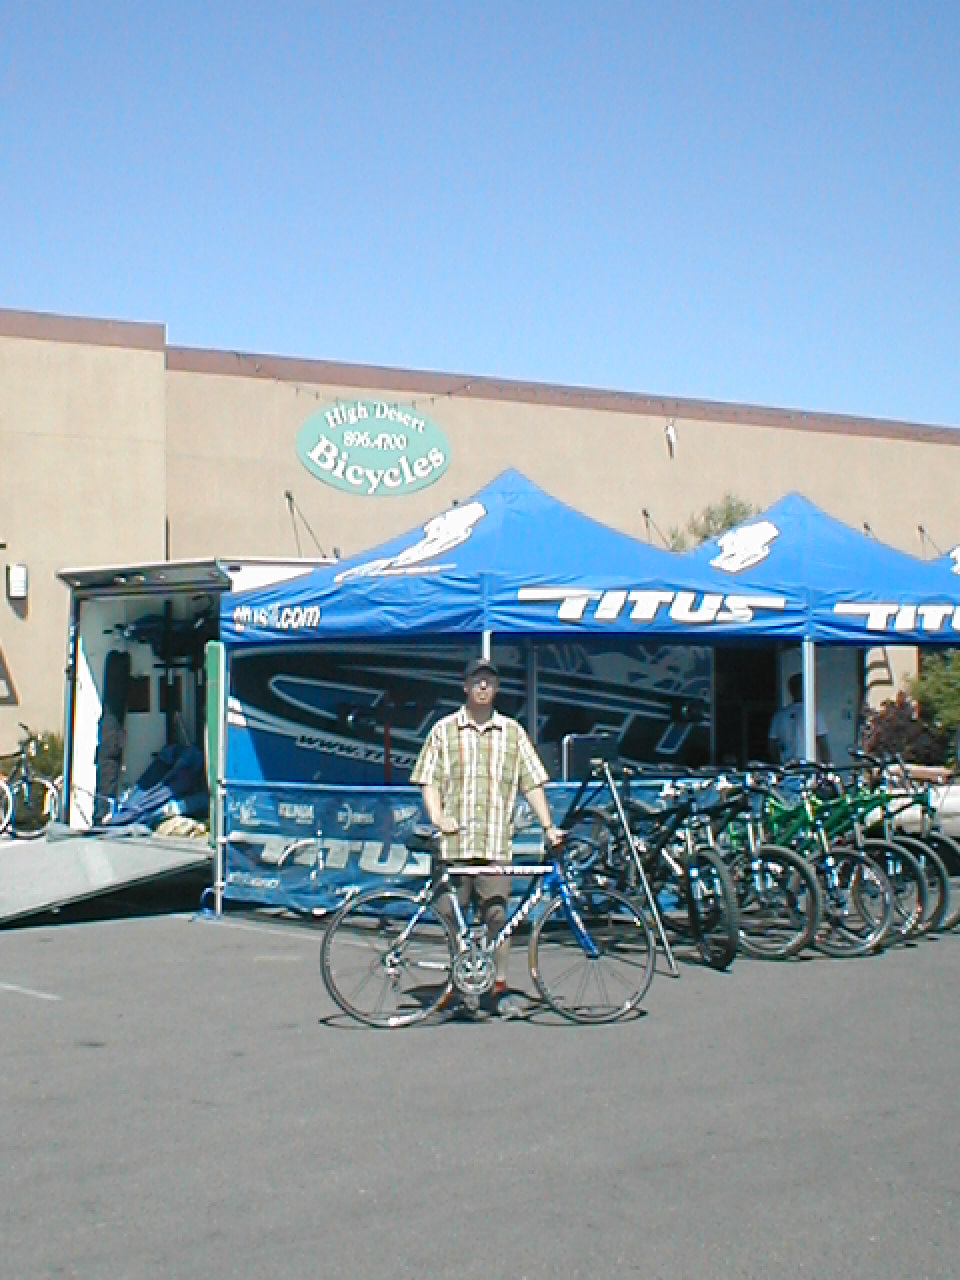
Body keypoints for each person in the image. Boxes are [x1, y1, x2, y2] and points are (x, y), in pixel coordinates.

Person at [410, 656, 565, 1011]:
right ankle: (455, 985)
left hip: (495, 844)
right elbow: (428, 779)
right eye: (476, 680)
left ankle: (497, 987)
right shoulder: (444, 730)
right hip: (454, 845)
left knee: (497, 916)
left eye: (489, 681)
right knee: (451, 917)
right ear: (465, 686)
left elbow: (533, 783)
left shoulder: (512, 733)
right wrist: (438, 817)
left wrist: (549, 826)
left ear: (497, 688)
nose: (483, 686)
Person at [768, 673, 831, 765]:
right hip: (809, 766)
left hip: (787, 766)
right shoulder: (814, 713)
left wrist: (778, 764)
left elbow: (772, 745)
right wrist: (827, 766)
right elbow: (823, 744)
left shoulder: (779, 716)